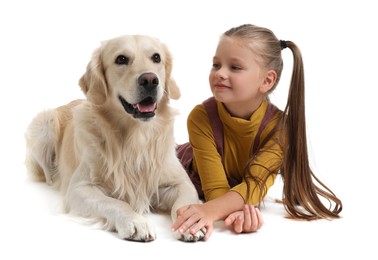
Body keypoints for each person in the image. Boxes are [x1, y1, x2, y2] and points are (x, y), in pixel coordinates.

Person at [172, 24, 342, 240]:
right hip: (184, 175)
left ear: (267, 80)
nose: (220, 73)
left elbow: (255, 185)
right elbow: (215, 188)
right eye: (216, 64)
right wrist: (232, 211)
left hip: (234, 195)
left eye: (235, 67)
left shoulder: (280, 129)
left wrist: (233, 211)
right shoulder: (200, 118)